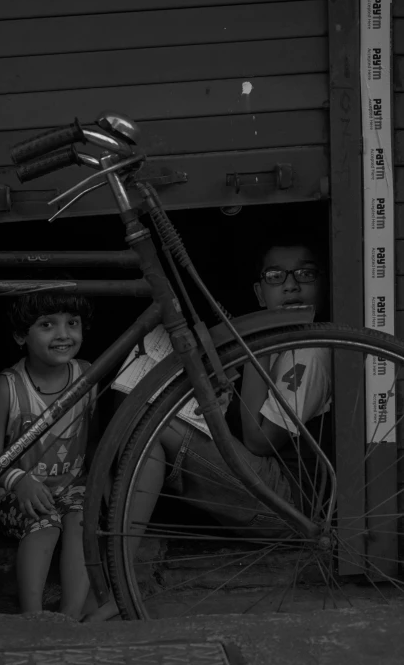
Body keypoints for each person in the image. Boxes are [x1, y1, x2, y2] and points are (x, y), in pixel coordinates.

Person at [86, 239, 330, 621]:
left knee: (153, 422)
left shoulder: (311, 351)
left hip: (288, 506)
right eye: (276, 277)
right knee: (147, 424)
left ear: (322, 284)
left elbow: (258, 440)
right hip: (256, 485)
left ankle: (113, 577)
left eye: (306, 274)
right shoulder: (275, 342)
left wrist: (255, 352)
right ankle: (117, 577)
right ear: (259, 292)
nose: (292, 285)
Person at [0, 290, 96, 617]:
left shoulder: (88, 378)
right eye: (47, 324)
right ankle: (31, 618)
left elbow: (96, 441)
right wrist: (20, 482)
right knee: (44, 520)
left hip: (72, 485)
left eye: (72, 323)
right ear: (20, 336)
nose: (63, 334)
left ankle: (69, 617)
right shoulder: (8, 387)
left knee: (82, 518)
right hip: (16, 494)